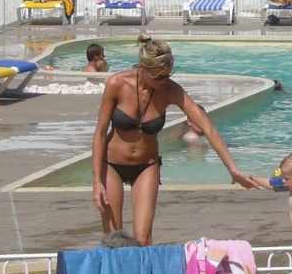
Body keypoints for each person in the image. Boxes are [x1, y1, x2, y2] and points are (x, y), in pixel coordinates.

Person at [92, 34, 259, 246]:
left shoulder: (170, 89)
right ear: (143, 68)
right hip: (112, 165)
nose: (164, 81)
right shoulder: (117, 84)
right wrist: (97, 181)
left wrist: (233, 170)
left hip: (146, 165)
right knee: (113, 239)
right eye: (159, 77)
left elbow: (209, 128)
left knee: (143, 239)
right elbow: (100, 133)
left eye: (168, 75)